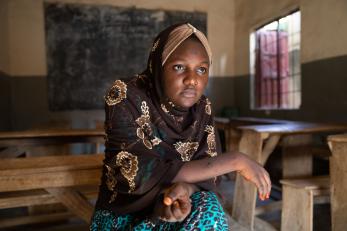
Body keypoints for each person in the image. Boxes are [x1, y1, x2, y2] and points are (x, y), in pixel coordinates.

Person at [90, 23, 271, 230]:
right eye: (179, 67)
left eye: (201, 69)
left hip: (177, 205)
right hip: (125, 214)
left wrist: (185, 188)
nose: (192, 80)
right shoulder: (125, 94)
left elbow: (208, 172)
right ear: (158, 65)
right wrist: (235, 159)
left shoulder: (203, 107)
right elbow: (132, 174)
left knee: (209, 211)